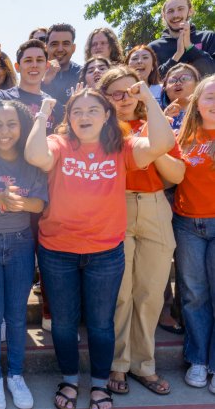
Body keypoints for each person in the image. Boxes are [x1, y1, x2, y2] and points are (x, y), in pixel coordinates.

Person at [24, 86, 174, 409]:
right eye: (77, 111)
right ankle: (69, 379)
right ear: (69, 118)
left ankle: (98, 385)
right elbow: (34, 155)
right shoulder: (58, 143)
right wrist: (43, 113)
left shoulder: (120, 146)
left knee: (101, 323)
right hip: (57, 251)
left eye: (93, 110)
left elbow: (163, 144)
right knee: (63, 323)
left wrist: (148, 99)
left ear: (107, 116)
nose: (84, 116)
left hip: (105, 252)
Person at [98, 66, 184, 397]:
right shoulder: (99, 128)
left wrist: (153, 143)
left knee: (149, 292)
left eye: (130, 91)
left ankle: (144, 364)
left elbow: (176, 175)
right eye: (115, 93)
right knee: (120, 293)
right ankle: (118, 364)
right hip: (114, 206)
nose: (123, 99)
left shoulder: (154, 124)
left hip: (153, 206)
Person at [0, 100, 48, 409]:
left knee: (16, 315)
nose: (5, 131)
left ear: (23, 127)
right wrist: (0, 198)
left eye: (12, 124)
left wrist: (17, 203)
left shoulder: (31, 160)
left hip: (20, 243)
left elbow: (39, 204)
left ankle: (15, 374)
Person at [172, 75, 215, 392]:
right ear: (198, 102)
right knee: (194, 295)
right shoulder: (182, 136)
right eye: (210, 97)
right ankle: (198, 360)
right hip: (187, 224)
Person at [0, 41, 59, 134]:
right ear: (17, 67)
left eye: (39, 60)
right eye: (28, 60)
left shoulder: (54, 105)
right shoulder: (3, 97)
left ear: (47, 66)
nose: (34, 65)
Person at [149, 0, 215, 79]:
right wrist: (177, 56)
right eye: (170, 11)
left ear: (190, 11)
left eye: (180, 9)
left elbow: (212, 71)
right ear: (164, 16)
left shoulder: (208, 37)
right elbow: (153, 80)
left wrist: (189, 46)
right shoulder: (153, 48)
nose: (175, 15)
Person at [42, 23, 82, 107]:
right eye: (54, 44)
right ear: (46, 48)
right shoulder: (35, 72)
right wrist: (45, 82)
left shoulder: (83, 73)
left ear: (73, 48)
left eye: (66, 44)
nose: (60, 49)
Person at [161, 63, 201, 130]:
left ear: (197, 84)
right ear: (165, 88)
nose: (178, 83)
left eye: (184, 78)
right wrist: (162, 122)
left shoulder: (208, 113)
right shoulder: (155, 116)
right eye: (172, 81)